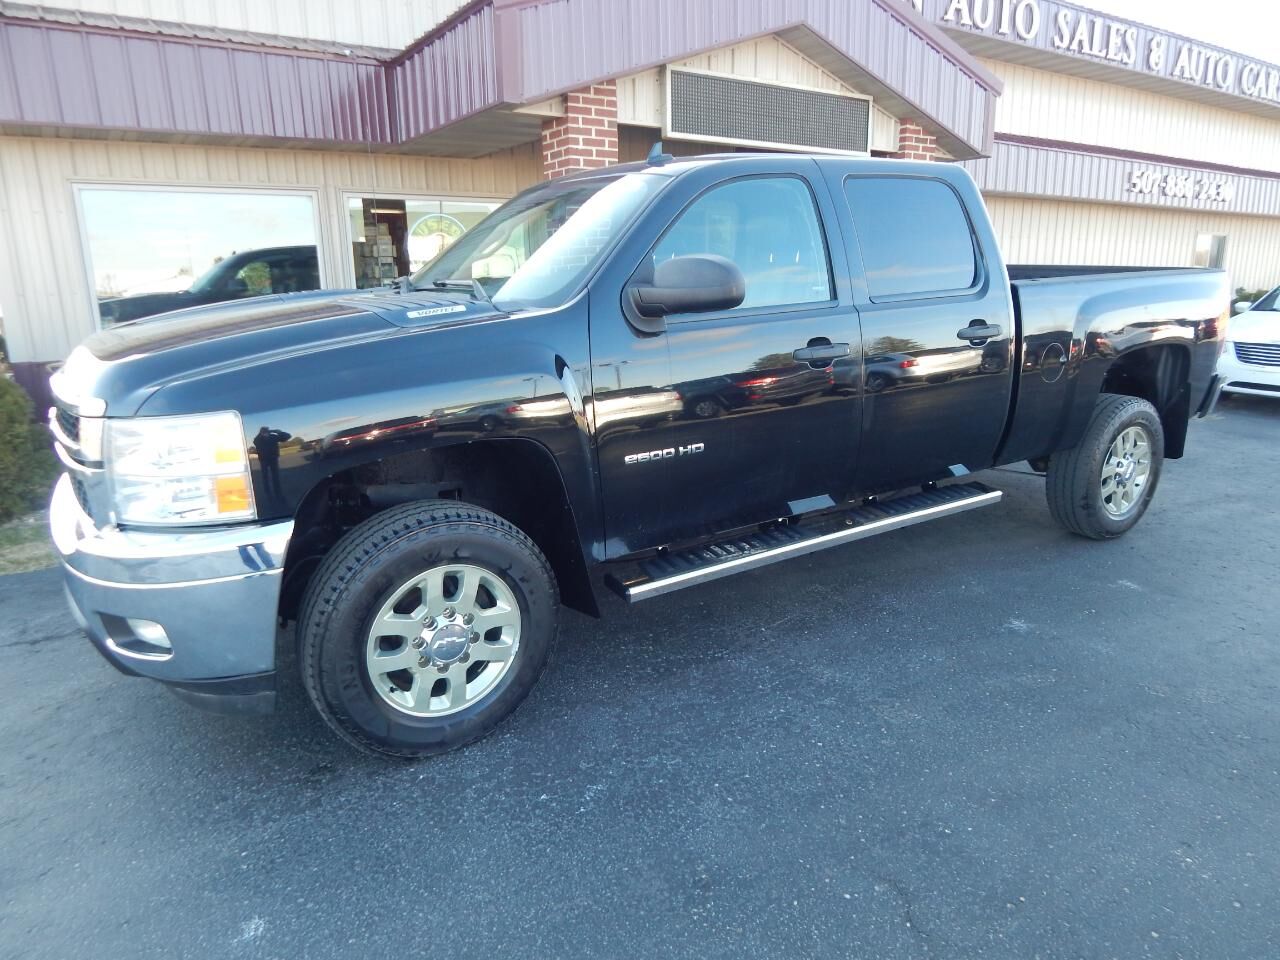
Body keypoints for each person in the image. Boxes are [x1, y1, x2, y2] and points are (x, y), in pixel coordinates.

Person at [253, 426, 291, 503]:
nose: (265, 434)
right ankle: (268, 495)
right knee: (265, 478)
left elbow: (288, 436)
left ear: (269, 432)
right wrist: (261, 434)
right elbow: (255, 441)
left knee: (275, 477)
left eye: (266, 432)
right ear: (261, 433)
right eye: (263, 432)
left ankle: (278, 493)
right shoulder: (258, 439)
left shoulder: (273, 437)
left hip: (273, 459)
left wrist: (277, 432)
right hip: (263, 460)